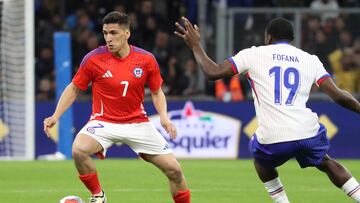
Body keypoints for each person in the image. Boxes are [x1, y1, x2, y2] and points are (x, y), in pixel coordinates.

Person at [175, 17, 360, 203]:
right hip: (306, 131)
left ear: (268, 37)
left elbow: (212, 72)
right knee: (326, 162)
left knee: (259, 157)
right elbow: (337, 94)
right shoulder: (310, 60)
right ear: (292, 40)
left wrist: (196, 46)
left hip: (272, 136)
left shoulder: (253, 54)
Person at [43, 12, 191, 203]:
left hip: (138, 123)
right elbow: (74, 88)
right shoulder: (93, 59)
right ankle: (98, 196)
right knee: (79, 150)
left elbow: (157, 92)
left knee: (175, 171)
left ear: (127, 33)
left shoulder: (146, 60)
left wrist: (163, 117)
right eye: (105, 33)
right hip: (104, 122)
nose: (108, 39)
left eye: (114, 33)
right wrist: (55, 115)